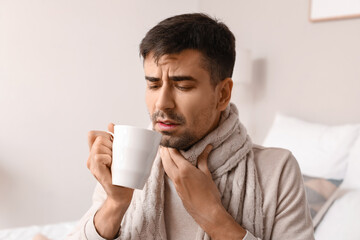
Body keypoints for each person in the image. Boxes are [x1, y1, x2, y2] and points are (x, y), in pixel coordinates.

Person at [67, 13, 315, 240]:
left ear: (223, 94)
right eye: (153, 85)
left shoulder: (276, 171)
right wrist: (115, 204)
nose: (162, 102)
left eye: (182, 86)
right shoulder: (126, 161)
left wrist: (213, 216)